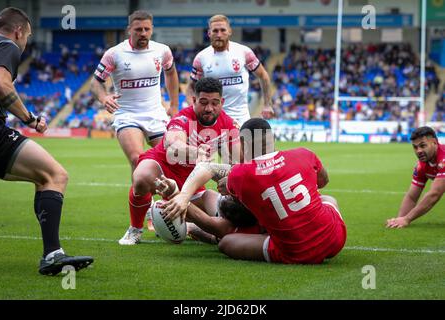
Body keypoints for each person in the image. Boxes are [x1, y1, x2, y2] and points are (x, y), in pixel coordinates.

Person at [164, 118, 346, 264]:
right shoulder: (304, 153)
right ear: (272, 139)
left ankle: (206, 233)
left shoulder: (241, 174)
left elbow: (214, 175)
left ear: (242, 144)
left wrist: (183, 196)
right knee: (328, 199)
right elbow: (322, 181)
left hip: (297, 251)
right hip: (335, 238)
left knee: (227, 242)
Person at [0, 7, 93, 275]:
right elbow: (0, 84)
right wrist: (29, 119)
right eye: (26, 36)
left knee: (46, 175)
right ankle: (52, 254)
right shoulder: (7, 45)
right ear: (18, 32)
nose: (25, 43)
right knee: (54, 175)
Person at [90, 10, 180, 238]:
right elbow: (96, 83)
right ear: (129, 29)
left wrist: (174, 105)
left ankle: (168, 209)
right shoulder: (114, 54)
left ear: (151, 29)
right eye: (138, 29)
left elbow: (171, 74)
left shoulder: (162, 51)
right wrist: (104, 98)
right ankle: (143, 218)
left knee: (172, 159)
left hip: (156, 113)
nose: (143, 33)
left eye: (147, 29)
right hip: (127, 115)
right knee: (138, 160)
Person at [119, 77, 240, 245]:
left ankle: (190, 227)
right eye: (203, 102)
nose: (209, 108)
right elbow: (172, 144)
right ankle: (135, 229)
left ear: (222, 102)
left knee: (227, 220)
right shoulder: (182, 118)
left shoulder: (228, 123)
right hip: (162, 166)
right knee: (141, 177)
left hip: (192, 180)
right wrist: (195, 152)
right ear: (194, 100)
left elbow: (238, 161)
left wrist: (230, 178)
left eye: (215, 103)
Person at [187, 14, 274, 126]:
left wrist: (267, 104)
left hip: (241, 119)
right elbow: (190, 87)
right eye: (215, 31)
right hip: (213, 120)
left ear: (229, 31)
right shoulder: (201, 58)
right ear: (209, 33)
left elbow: (263, 76)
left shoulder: (243, 52)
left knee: (246, 144)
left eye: (223, 30)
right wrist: (193, 109)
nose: (219, 34)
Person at [386, 127, 445, 228]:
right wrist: (400, 219)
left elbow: (435, 194)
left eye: (423, 145)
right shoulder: (421, 166)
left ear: (434, 142)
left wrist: (407, 219)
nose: (419, 151)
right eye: (415, 147)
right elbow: (412, 197)